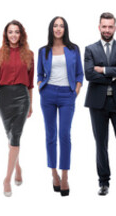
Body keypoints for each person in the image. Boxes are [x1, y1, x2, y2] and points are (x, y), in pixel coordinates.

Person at [84, 12, 116, 196]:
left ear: (115, 27)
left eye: (110, 26)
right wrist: (115, 73)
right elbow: (89, 74)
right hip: (97, 103)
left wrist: (103, 69)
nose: (107, 30)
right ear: (99, 27)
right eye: (104, 26)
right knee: (101, 144)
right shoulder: (90, 49)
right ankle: (104, 182)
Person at [36, 16, 83, 197]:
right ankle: (53, 173)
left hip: (67, 95)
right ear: (51, 28)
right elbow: (40, 73)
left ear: (65, 29)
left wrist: (76, 91)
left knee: (64, 134)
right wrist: (41, 86)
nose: (58, 29)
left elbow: (80, 73)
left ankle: (64, 176)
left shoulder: (73, 49)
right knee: (50, 135)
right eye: (55, 26)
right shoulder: (43, 51)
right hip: (47, 94)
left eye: (61, 26)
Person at [0, 20, 35, 197]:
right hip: (4, 99)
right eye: (11, 32)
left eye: (17, 32)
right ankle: (17, 167)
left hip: (22, 98)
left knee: (15, 135)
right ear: (6, 34)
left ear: (21, 34)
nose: (14, 35)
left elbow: (31, 84)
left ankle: (6, 179)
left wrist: (31, 104)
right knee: (10, 136)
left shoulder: (29, 54)